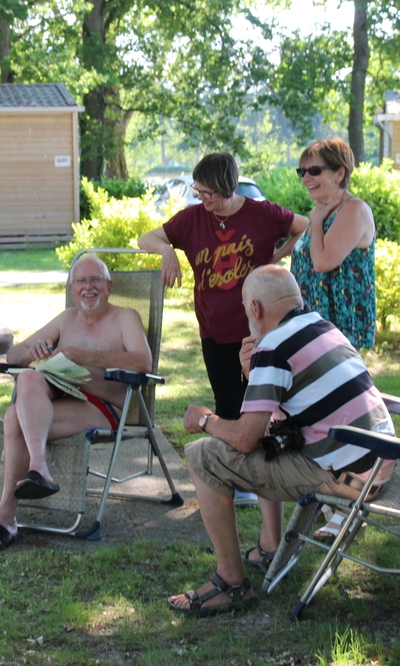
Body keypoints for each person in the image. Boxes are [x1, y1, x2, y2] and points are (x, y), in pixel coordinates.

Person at [167, 265, 394, 616]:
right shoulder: (322, 327)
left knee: (203, 455)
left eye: (245, 308)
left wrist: (203, 419)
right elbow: (281, 423)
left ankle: (231, 583)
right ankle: (268, 545)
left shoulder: (273, 346)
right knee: (262, 442)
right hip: (379, 465)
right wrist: (252, 375)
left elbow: (244, 439)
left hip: (346, 479)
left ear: (255, 308)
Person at [138, 153, 307, 507]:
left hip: (258, 328)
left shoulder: (263, 214)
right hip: (213, 328)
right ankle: (239, 478)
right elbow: (146, 238)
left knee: (260, 405)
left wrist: (277, 257)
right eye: (198, 192)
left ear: (227, 187)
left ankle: (268, 475)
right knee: (227, 403)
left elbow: (304, 227)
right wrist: (167, 251)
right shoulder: (192, 219)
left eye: (208, 193)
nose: (203, 199)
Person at [0, 254, 153, 551]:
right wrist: (32, 352)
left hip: (105, 406)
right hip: (65, 398)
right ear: (72, 290)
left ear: (109, 286)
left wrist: (85, 357)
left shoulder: (125, 317)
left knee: (14, 417)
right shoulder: (67, 319)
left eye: (95, 279)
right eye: (80, 281)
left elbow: (143, 362)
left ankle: (5, 515)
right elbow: (14, 355)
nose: (88, 287)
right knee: (28, 380)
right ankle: (38, 466)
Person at [287, 137, 390, 538]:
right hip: (313, 327)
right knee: (316, 414)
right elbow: (297, 258)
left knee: (343, 417)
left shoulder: (353, 210)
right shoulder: (325, 210)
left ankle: (346, 505)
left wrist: (314, 221)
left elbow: (323, 260)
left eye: (314, 171)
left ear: (340, 172)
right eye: (302, 171)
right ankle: (326, 495)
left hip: (337, 328)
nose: (306, 178)